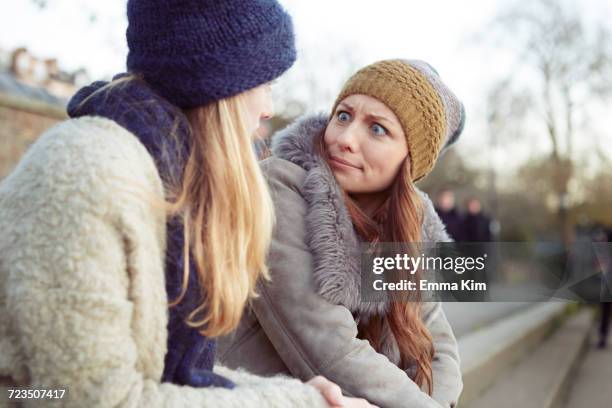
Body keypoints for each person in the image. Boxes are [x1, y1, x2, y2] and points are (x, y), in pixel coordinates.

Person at [0, 1, 374, 407]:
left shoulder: (169, 180)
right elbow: (85, 398)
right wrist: (301, 403)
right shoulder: (87, 172)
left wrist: (294, 395)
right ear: (220, 82)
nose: (268, 107)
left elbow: (163, 377)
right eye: (265, 84)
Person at [218, 59, 466, 407]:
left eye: (377, 129)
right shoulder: (279, 187)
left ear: (410, 161)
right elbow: (327, 347)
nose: (346, 139)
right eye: (344, 116)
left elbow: (440, 347)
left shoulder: (410, 229)